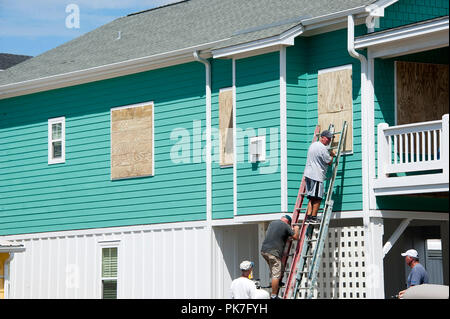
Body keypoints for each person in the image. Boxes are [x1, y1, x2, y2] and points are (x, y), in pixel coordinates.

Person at [260, 215, 300, 299]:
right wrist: (296, 228)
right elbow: (296, 237)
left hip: (264, 251)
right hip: (273, 253)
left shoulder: (273, 223)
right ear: (288, 222)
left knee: (279, 267)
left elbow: (279, 235)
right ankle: (274, 296)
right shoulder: (286, 225)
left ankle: (278, 283)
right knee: (276, 275)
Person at [303, 130, 336, 223]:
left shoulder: (313, 145)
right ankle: (313, 218)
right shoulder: (322, 148)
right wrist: (332, 155)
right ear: (322, 137)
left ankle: (309, 217)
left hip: (308, 174)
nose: (329, 140)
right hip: (316, 175)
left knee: (311, 197)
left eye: (330, 139)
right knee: (318, 198)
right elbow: (329, 162)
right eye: (328, 138)